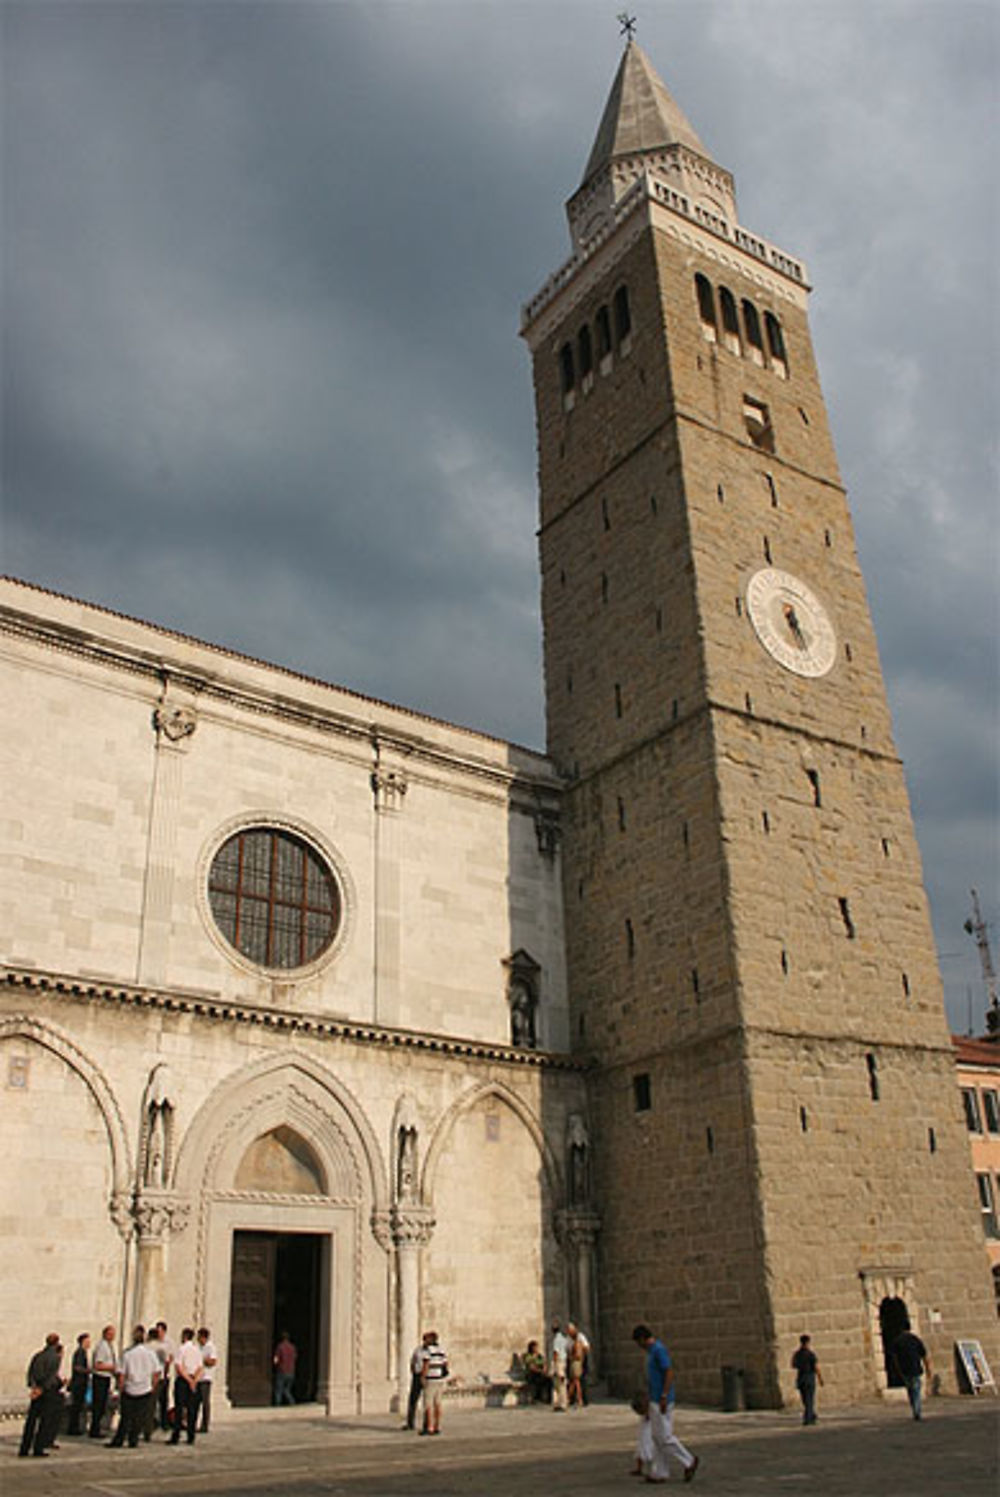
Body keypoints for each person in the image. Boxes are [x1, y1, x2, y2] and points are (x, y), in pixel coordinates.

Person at [632, 1324, 699, 1484]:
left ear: (643, 1338)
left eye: (638, 1342)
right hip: (655, 1399)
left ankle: (689, 1460)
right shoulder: (652, 1352)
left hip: (662, 1400)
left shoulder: (658, 1350)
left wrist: (663, 1395)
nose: (638, 1346)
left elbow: (668, 1371)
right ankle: (660, 1472)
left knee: (664, 1436)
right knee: (656, 1437)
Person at [107, 1326, 160, 1449]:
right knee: (139, 1417)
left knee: (126, 1417)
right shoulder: (150, 1354)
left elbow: (122, 1374)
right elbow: (157, 1372)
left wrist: (120, 1388)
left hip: (130, 1388)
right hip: (145, 1388)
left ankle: (119, 1439)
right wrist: (153, 1385)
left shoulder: (127, 1354)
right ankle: (133, 1440)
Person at [19, 1332, 64, 1458]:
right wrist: (42, 1389)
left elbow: (30, 1373)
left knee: (31, 1421)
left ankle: (24, 1448)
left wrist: (34, 1387)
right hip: (47, 1392)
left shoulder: (38, 1356)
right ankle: (38, 1448)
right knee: (45, 1421)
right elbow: (50, 1376)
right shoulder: (55, 1357)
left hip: (36, 1390)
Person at [169, 1327, 203, 1444]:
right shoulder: (197, 1350)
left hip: (184, 1381)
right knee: (192, 1410)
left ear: (184, 1337)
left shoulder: (181, 1349)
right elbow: (200, 1367)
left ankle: (176, 1435)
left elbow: (179, 1367)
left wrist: (188, 1380)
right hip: (194, 1379)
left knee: (179, 1409)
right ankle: (191, 1436)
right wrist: (194, 1381)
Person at [891, 1325, 931, 1421]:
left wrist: (898, 1370)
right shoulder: (915, 1339)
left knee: (910, 1390)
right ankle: (917, 1411)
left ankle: (915, 1409)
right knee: (916, 1390)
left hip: (905, 1369)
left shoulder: (897, 1341)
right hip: (916, 1368)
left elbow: (895, 1358)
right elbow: (924, 1355)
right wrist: (928, 1369)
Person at [89, 1324, 117, 1438]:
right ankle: (94, 1429)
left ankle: (97, 1427)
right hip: (100, 1378)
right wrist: (112, 1367)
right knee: (98, 1405)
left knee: (102, 1405)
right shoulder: (102, 1347)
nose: (112, 1336)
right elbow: (97, 1365)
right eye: (111, 1334)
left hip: (106, 1378)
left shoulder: (108, 1346)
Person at [419, 1329, 448, 1435]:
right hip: (439, 1379)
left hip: (431, 1379)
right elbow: (445, 1364)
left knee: (428, 1404)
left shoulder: (428, 1350)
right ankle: (438, 1425)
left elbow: (426, 1365)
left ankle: (430, 1427)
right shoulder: (441, 1350)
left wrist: (422, 1377)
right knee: (438, 1404)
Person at [791, 1333, 823, 1425]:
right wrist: (820, 1378)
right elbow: (816, 1367)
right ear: (808, 1342)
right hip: (809, 1377)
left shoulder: (797, 1354)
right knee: (810, 1399)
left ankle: (811, 1415)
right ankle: (809, 1418)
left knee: (805, 1399)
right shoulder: (810, 1354)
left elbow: (793, 1365)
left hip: (801, 1378)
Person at [403, 1332, 430, 1429]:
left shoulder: (431, 1352)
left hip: (427, 1376)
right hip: (417, 1375)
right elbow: (413, 1359)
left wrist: (424, 1376)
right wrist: (413, 1369)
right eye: (426, 1339)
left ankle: (427, 1424)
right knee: (413, 1399)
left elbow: (427, 1364)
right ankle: (410, 1423)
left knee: (427, 1401)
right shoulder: (418, 1350)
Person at [67, 1332, 91, 1436]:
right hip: (78, 1383)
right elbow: (77, 1367)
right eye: (87, 1341)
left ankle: (75, 1427)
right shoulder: (80, 1353)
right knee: (76, 1407)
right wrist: (88, 1371)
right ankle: (73, 1428)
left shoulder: (82, 1352)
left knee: (78, 1406)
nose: (89, 1343)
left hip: (81, 1382)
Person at [153, 1321, 174, 1430]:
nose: (159, 1333)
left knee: (163, 1399)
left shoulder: (169, 1342)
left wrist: (166, 1373)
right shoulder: (153, 1343)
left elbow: (170, 1358)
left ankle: (164, 1422)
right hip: (154, 1375)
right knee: (153, 1399)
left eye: (160, 1331)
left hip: (164, 1375)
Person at [197, 1328, 218, 1432]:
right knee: (196, 1401)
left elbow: (213, 1361)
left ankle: (205, 1425)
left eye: (199, 1337)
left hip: (206, 1377)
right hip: (198, 1378)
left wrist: (202, 1360)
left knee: (205, 1402)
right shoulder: (199, 1347)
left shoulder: (210, 1347)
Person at [273, 1330, 297, 1405]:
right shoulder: (292, 1347)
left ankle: (278, 1404)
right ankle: (292, 1401)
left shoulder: (280, 1347)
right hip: (291, 1371)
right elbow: (295, 1357)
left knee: (279, 1389)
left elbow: (276, 1359)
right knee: (287, 1390)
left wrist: (275, 1364)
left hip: (282, 1370)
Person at [549, 1318, 569, 1412]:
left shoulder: (556, 1339)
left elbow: (555, 1353)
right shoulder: (564, 1339)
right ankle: (562, 1403)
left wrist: (553, 1365)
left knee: (558, 1384)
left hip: (558, 1363)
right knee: (562, 1384)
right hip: (563, 1362)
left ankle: (559, 1403)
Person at [566, 1323, 585, 1408]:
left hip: (575, 1364)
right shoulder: (577, 1342)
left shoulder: (577, 1343)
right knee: (575, 1382)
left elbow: (578, 1355)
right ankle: (577, 1399)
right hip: (576, 1363)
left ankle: (569, 1398)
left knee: (574, 1382)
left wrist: (570, 1357)